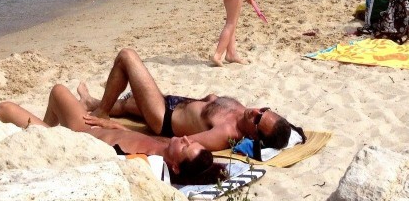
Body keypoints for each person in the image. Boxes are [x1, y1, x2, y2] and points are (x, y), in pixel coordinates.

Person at [0, 85, 222, 185]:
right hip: (92, 129)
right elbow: (132, 139)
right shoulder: (163, 148)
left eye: (184, 147)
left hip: (78, 138)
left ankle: (43, 135)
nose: (184, 139)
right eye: (188, 141)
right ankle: (43, 132)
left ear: (175, 167)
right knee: (58, 92)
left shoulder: (147, 165)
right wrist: (112, 125)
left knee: (6, 108)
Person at [81, 48, 293, 153]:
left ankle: (101, 113)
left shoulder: (226, 133)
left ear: (254, 135)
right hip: (174, 103)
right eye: (263, 110)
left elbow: (178, 143)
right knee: (128, 104)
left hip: (163, 118)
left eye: (258, 120)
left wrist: (121, 129)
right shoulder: (245, 113)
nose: (255, 112)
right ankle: (91, 103)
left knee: (126, 57)